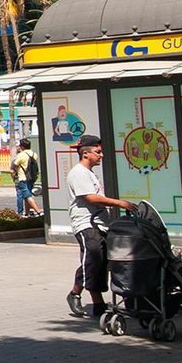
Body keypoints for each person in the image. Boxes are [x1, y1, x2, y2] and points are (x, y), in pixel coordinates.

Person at [66, 134, 132, 318]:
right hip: (86, 225)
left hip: (100, 225)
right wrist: (119, 203)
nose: (101, 155)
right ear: (85, 153)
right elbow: (90, 197)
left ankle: (75, 293)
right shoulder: (78, 173)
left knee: (97, 260)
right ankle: (96, 303)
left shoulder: (89, 173)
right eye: (98, 152)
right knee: (93, 260)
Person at [11, 139, 41, 218]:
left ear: (22, 146)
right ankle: (27, 213)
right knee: (27, 195)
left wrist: (14, 175)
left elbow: (15, 165)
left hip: (23, 178)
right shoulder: (34, 154)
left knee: (27, 196)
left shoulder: (21, 155)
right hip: (31, 178)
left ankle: (38, 211)